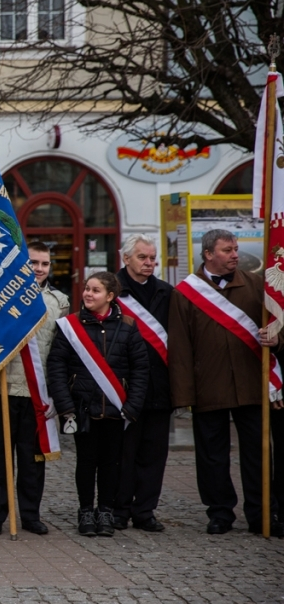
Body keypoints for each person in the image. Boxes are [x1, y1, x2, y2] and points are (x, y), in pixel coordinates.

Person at [168, 229, 284, 536]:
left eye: (235, 249)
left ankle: (261, 513)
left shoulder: (257, 284)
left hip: (252, 385)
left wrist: (277, 338)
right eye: (227, 250)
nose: (235, 254)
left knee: (257, 453)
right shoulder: (184, 293)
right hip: (209, 387)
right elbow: (179, 348)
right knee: (211, 455)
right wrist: (183, 397)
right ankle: (219, 513)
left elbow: (278, 326)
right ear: (208, 254)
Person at [47, 271, 148, 537]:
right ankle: (85, 511)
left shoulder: (128, 325)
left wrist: (133, 405)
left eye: (95, 290)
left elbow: (140, 369)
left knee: (111, 463)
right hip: (83, 407)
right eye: (87, 289)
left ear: (110, 296)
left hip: (117, 409)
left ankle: (106, 511)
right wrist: (65, 404)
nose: (88, 294)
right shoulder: (70, 325)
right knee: (86, 461)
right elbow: (56, 366)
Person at [0, 241, 68, 536]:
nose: (39, 269)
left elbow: (61, 351)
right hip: (0, 389)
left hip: (37, 393)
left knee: (33, 458)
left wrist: (58, 391)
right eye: (33, 262)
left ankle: (30, 514)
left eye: (44, 264)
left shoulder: (59, 302)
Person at [113, 234, 174, 532]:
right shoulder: (110, 291)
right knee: (123, 453)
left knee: (154, 453)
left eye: (152, 258)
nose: (150, 263)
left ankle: (145, 510)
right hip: (123, 388)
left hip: (160, 386)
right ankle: (119, 509)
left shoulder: (166, 292)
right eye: (143, 257)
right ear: (126, 259)